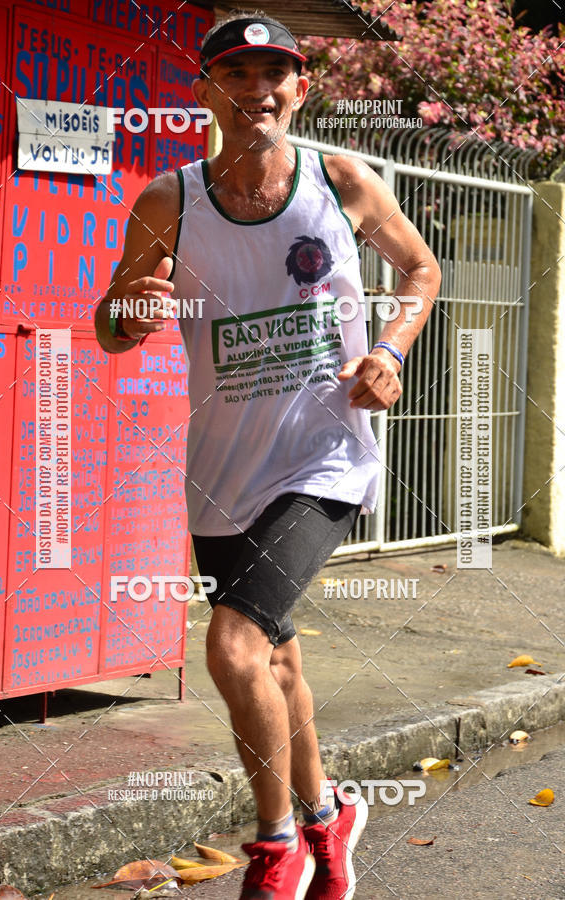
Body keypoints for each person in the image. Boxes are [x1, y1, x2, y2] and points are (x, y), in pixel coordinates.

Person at [95, 10, 441, 899]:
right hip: (221, 472)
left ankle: (276, 844)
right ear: (207, 91)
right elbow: (112, 326)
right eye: (236, 76)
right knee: (277, 657)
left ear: (301, 87)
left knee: (234, 648)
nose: (257, 91)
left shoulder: (340, 180)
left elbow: (421, 270)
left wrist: (392, 351)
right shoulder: (170, 201)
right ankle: (332, 820)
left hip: (323, 455)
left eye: (274, 74)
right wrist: (129, 315)